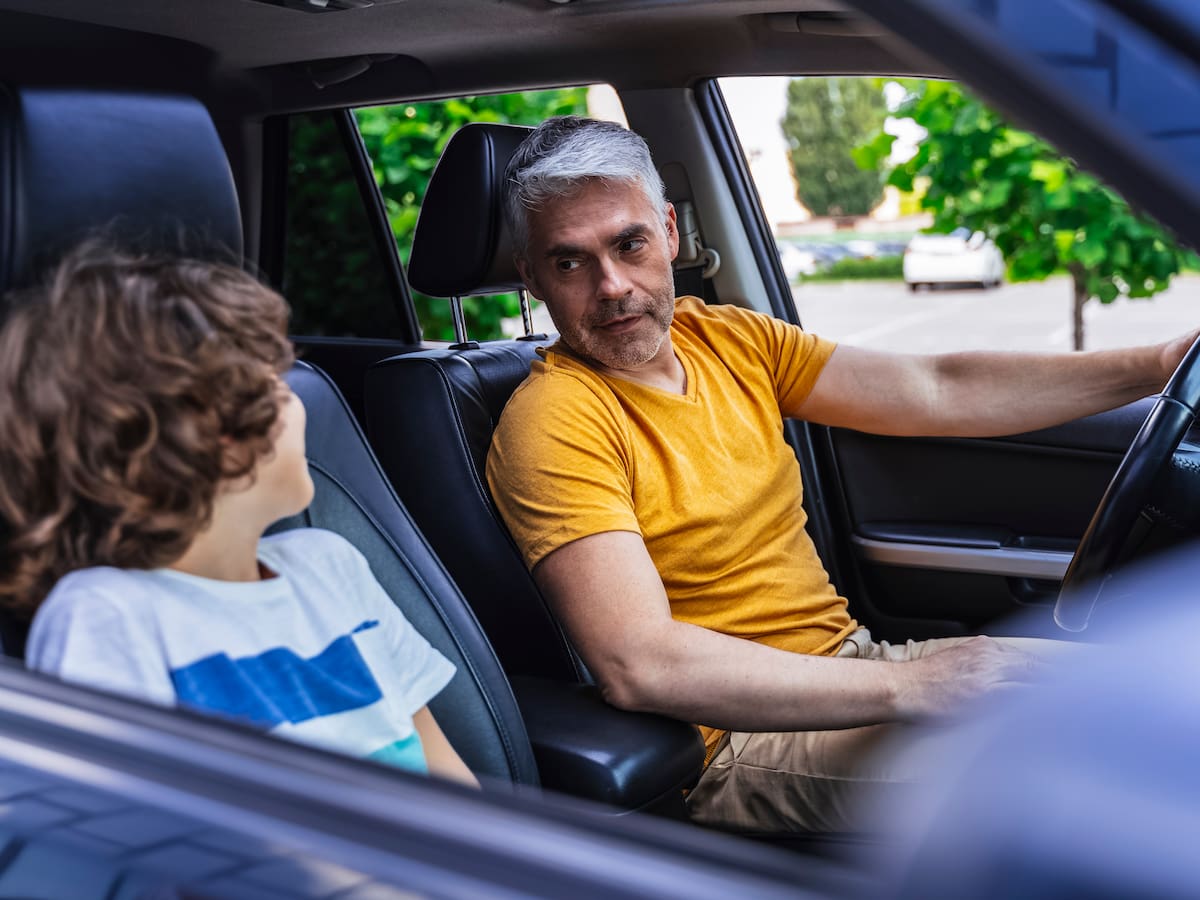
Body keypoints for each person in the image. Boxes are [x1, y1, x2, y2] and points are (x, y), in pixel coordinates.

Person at [485, 116, 1194, 831]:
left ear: (669, 231)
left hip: (855, 666)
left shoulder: (727, 337)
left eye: (628, 244)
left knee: (1162, 696)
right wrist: (910, 686)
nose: (612, 286)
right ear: (532, 275)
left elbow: (939, 390)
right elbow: (643, 663)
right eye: (570, 262)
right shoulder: (554, 421)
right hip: (734, 742)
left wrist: (1160, 363)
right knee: (1127, 765)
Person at [0, 241, 476, 787]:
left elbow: (448, 783)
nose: (296, 397)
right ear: (211, 437)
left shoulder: (332, 567)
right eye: (276, 382)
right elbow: (129, 837)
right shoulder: (106, 616)